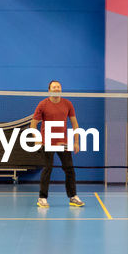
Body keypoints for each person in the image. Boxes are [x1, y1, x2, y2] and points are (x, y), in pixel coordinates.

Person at [32, 80, 84, 208]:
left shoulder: (68, 104)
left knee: (70, 169)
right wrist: (37, 139)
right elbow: (33, 124)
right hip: (47, 142)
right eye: (54, 87)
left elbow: (75, 124)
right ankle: (42, 198)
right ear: (49, 89)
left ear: (61, 89)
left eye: (58, 87)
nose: (56, 88)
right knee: (47, 169)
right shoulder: (43, 104)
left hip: (63, 142)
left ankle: (73, 197)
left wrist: (76, 141)